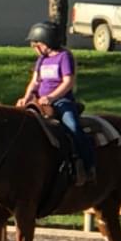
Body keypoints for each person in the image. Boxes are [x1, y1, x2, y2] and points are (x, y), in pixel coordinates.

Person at [16, 21, 96, 185]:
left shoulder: (64, 57)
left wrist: (52, 97)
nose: (34, 47)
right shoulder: (41, 60)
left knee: (73, 127)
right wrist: (26, 97)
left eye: (36, 44)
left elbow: (68, 82)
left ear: (46, 42)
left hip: (61, 101)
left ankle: (88, 165)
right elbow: (35, 82)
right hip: (39, 101)